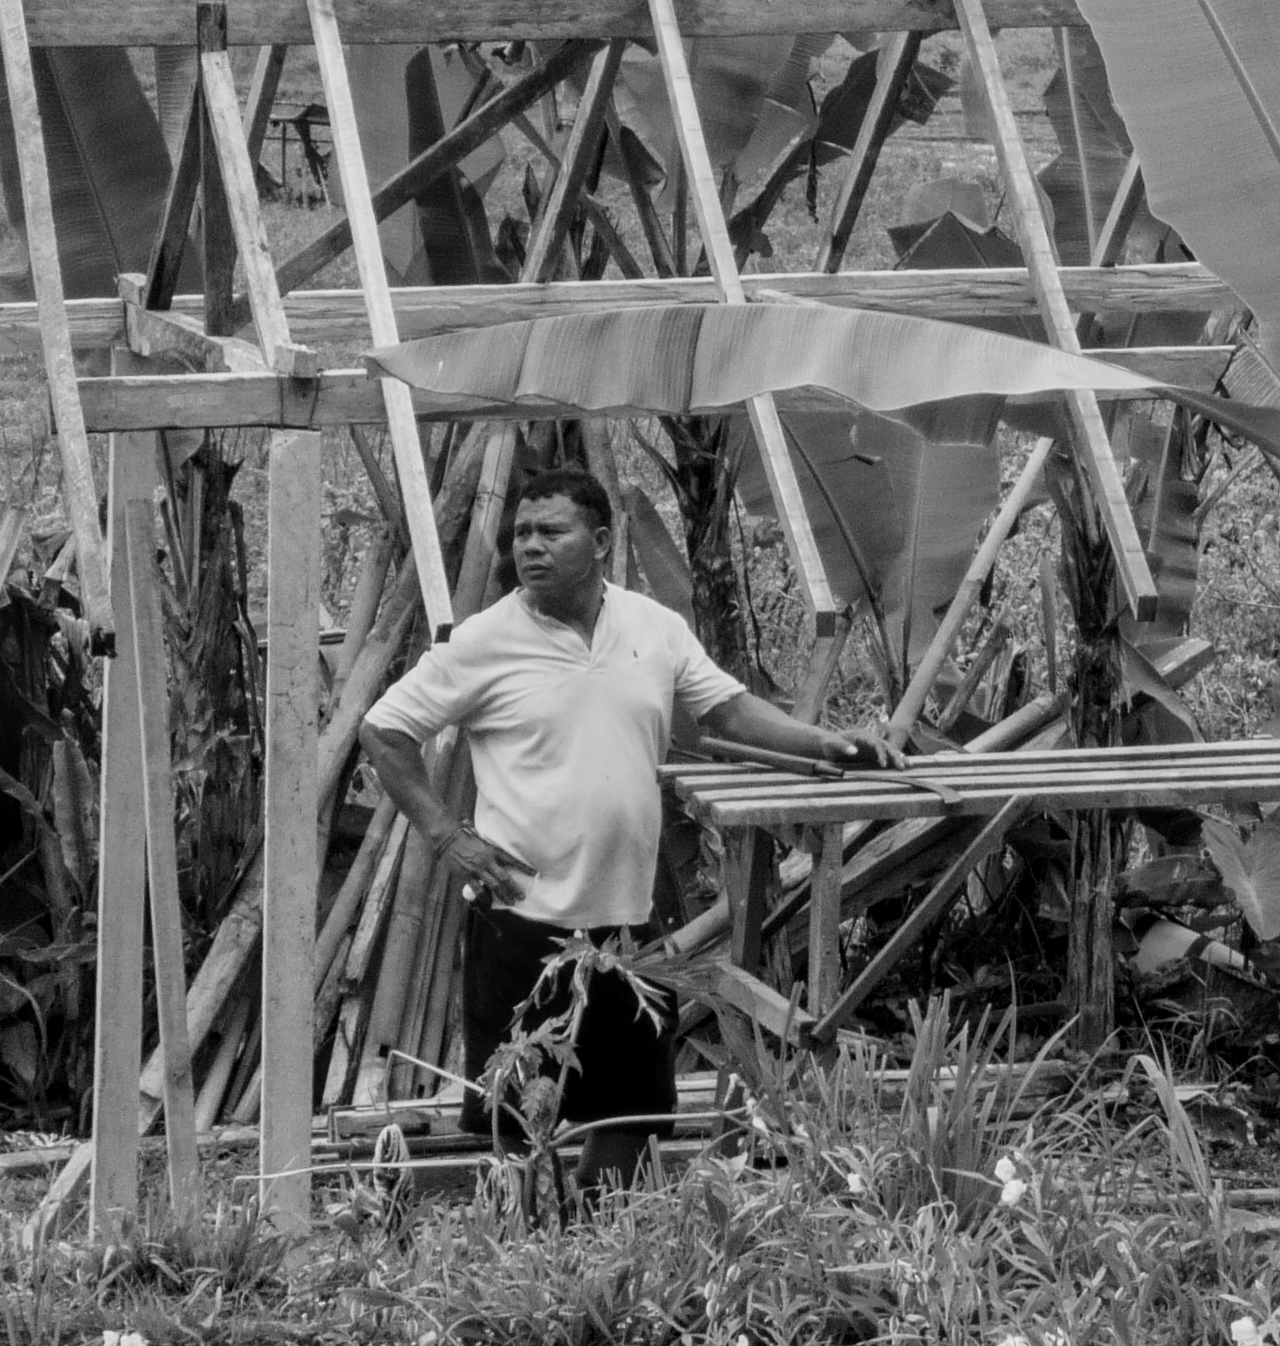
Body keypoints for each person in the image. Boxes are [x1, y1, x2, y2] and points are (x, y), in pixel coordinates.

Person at [357, 467, 890, 1190]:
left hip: (631, 929)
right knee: (516, 1123)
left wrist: (824, 742)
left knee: (634, 1117)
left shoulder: (654, 628)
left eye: (551, 532)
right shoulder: (484, 642)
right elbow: (384, 730)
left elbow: (727, 712)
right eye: (520, 535)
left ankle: (594, 1242)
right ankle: (532, 1253)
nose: (530, 548)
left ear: (602, 540)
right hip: (524, 926)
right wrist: (450, 837)